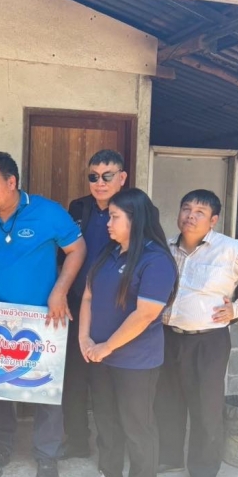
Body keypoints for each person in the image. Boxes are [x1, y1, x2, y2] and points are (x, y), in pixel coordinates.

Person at [0, 151, 86, 477]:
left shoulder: (48, 213)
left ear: (12, 182)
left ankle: (47, 455)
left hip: (43, 318)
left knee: (45, 388)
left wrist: (60, 291)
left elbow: (77, 249)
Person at [155, 190, 238, 477]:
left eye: (200, 212)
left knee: (206, 407)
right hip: (168, 335)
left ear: (213, 220)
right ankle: (170, 458)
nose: (190, 216)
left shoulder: (231, 250)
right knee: (167, 400)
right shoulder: (166, 247)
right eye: (186, 209)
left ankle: (203, 473)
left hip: (208, 341)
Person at [78, 188, 178, 477]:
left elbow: (145, 314)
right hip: (100, 355)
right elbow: (88, 297)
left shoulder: (155, 260)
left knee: (137, 425)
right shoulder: (109, 253)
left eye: (114, 216)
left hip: (136, 361)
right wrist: (84, 339)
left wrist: (106, 346)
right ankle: (111, 475)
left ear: (135, 220)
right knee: (106, 418)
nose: (108, 222)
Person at [62, 150, 160, 459]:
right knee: (73, 379)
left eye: (107, 176)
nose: (99, 182)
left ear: (122, 177)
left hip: (120, 310)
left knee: (113, 388)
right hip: (80, 305)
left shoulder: (140, 210)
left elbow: (152, 252)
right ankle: (77, 442)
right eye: (93, 176)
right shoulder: (78, 208)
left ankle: (119, 456)